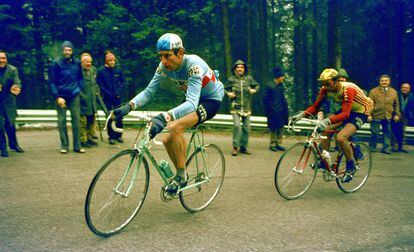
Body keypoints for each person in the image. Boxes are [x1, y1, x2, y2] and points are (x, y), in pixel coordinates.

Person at [112, 33, 224, 195]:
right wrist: (129, 106)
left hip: (210, 100)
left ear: (180, 53)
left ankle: (180, 177)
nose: (163, 61)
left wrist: (165, 116)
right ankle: (181, 171)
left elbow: (192, 104)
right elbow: (150, 91)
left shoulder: (193, 65)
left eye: (167, 56)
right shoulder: (164, 67)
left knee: (175, 127)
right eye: (160, 56)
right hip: (193, 99)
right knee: (166, 139)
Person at [292, 69, 374, 183]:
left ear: (336, 81)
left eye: (328, 83)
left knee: (341, 137)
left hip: (362, 111)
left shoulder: (348, 89)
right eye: (323, 84)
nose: (326, 86)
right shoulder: (325, 89)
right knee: (325, 130)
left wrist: (327, 121)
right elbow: (316, 107)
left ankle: (351, 166)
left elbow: (345, 114)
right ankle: (324, 161)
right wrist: (302, 114)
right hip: (348, 109)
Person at [48, 41, 85, 154]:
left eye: (69, 50)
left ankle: (77, 146)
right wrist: (58, 96)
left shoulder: (77, 63)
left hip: (74, 94)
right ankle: (64, 145)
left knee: (76, 120)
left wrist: (78, 90)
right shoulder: (56, 63)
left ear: (72, 51)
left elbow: (80, 78)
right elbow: (51, 81)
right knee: (62, 121)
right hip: (61, 95)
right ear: (62, 50)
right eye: (65, 50)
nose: (67, 52)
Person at [225, 59, 260, 156]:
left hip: (246, 108)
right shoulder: (231, 79)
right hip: (235, 107)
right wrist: (228, 93)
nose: (240, 69)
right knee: (237, 126)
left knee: (247, 128)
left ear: (244, 69)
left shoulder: (249, 79)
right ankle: (235, 147)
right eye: (238, 67)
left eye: (242, 67)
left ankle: (243, 147)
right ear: (235, 69)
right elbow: (224, 88)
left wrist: (254, 90)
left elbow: (257, 86)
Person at [96, 51, 126, 145]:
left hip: (117, 97)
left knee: (119, 115)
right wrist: (107, 93)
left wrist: (119, 92)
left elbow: (123, 82)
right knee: (110, 117)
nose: (112, 62)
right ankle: (111, 137)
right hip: (107, 97)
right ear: (106, 61)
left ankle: (119, 135)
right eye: (110, 61)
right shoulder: (101, 71)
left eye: (113, 60)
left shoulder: (118, 70)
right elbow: (99, 84)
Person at [368, 75, 400, 154]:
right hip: (376, 115)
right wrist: (368, 115)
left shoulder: (394, 92)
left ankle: (386, 148)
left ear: (389, 82)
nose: (384, 82)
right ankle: (372, 147)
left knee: (387, 133)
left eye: (386, 81)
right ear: (379, 81)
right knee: (375, 133)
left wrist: (397, 114)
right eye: (382, 80)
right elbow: (369, 104)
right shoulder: (373, 91)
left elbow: (396, 104)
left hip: (388, 116)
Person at [0, 50, 24, 157]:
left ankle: (14, 145)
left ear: (6, 59)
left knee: (10, 124)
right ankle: (3, 148)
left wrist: (16, 87)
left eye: (3, 58)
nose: (2, 60)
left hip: (9, 99)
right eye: (0, 58)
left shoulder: (13, 69)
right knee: (0, 126)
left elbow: (17, 81)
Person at [263, 67, 289, 152]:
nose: (283, 78)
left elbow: (283, 98)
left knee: (281, 127)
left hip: (281, 110)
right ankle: (272, 143)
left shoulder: (281, 86)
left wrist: (285, 109)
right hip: (272, 111)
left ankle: (279, 143)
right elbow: (265, 99)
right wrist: (271, 107)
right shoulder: (269, 85)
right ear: (278, 77)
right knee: (273, 127)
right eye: (282, 76)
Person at [79, 53, 99, 148]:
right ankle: (83, 140)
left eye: (90, 62)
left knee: (90, 121)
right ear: (82, 62)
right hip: (82, 101)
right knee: (82, 122)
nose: (88, 63)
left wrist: (97, 92)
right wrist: (81, 97)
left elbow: (94, 84)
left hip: (91, 101)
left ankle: (89, 138)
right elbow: (76, 86)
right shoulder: (78, 72)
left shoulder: (91, 71)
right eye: (86, 61)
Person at [391, 82, 414, 152]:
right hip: (395, 115)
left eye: (407, 88)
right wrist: (395, 114)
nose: (405, 89)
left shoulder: (411, 96)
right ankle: (394, 147)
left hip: (405, 117)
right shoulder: (396, 94)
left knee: (402, 132)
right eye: (403, 87)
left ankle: (400, 147)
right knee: (394, 131)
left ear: (409, 89)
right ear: (401, 88)